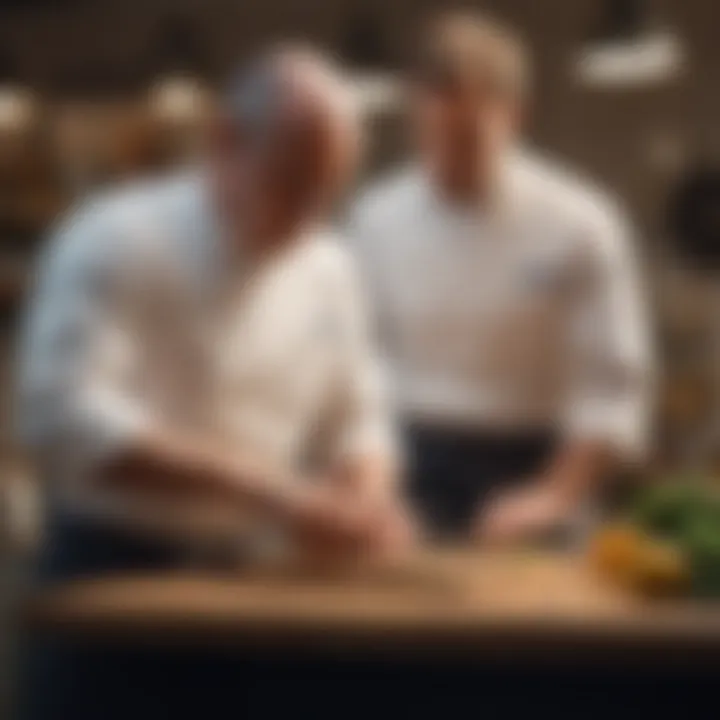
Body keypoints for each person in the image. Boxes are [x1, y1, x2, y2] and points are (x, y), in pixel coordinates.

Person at [17, 47, 410, 719]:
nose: (309, 216)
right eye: (291, 184)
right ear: (225, 141)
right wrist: (273, 492)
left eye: (327, 193)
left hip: (255, 583)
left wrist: (364, 494)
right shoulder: (114, 238)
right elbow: (58, 416)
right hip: (112, 580)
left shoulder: (331, 268)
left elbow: (359, 413)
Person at [349, 12, 653, 543]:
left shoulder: (581, 223)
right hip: (406, 467)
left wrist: (555, 495)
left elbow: (614, 386)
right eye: (433, 137)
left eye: (467, 140)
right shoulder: (374, 220)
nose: (449, 163)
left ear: (515, 115)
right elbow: (353, 371)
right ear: (414, 116)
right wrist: (367, 488)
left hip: (541, 463)